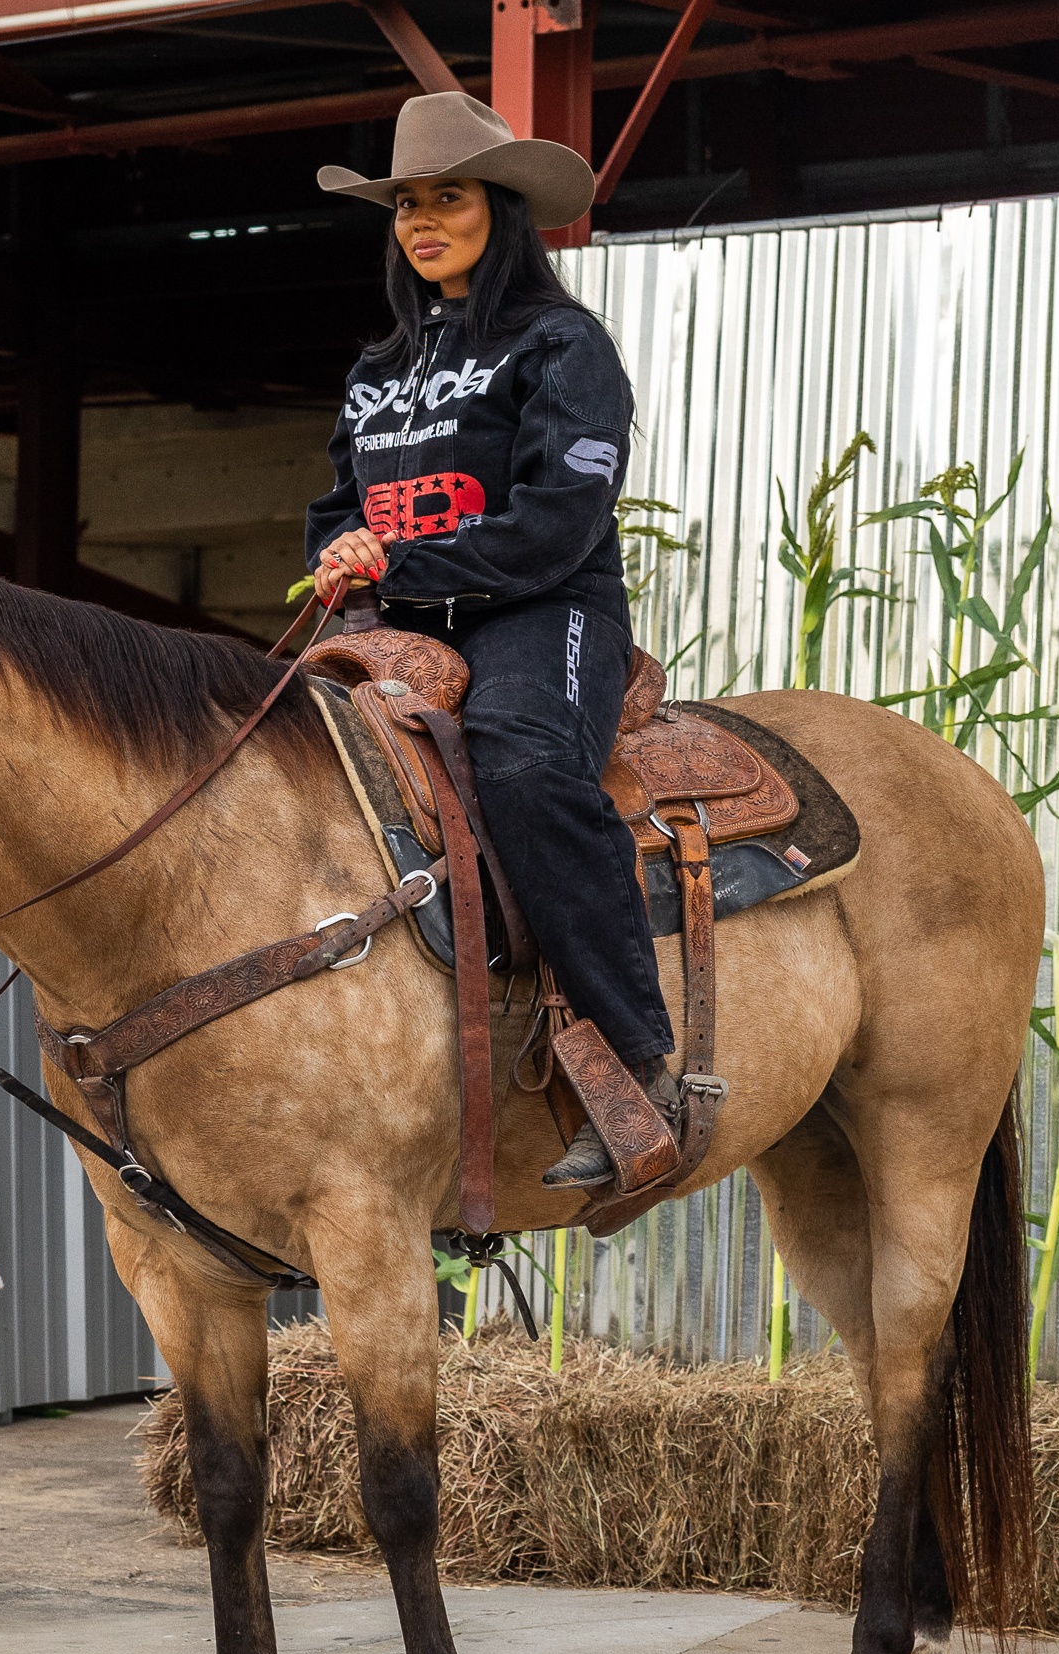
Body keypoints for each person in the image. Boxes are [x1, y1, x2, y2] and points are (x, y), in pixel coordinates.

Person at [305, 93, 674, 1191]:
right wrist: (339, 554)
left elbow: (557, 521)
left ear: (500, 210)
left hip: (544, 611)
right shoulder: (377, 369)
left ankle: (639, 1062)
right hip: (399, 626)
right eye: (406, 205)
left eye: (447, 199)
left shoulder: (562, 344)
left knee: (518, 760)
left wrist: (401, 566)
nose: (421, 222)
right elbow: (337, 505)